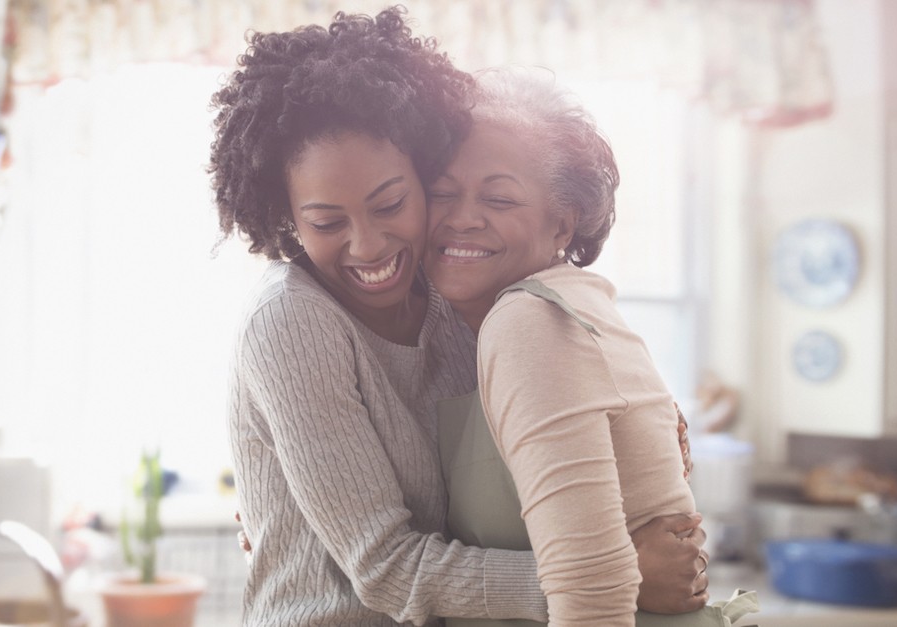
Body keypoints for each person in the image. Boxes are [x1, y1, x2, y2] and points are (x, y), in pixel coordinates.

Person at [210, 8, 708, 626]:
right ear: (285, 217)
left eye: (390, 203)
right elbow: (385, 568)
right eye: (326, 222)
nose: (367, 246)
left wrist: (648, 425)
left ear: (421, 177)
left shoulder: (457, 295)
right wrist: (618, 576)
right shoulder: (291, 320)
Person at [424, 67, 757, 626]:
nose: (462, 217)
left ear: (562, 226)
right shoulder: (544, 308)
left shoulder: (530, 320)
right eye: (441, 193)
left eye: (500, 199)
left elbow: (592, 598)